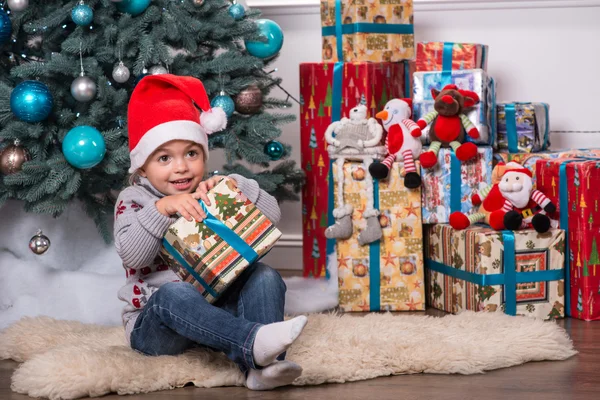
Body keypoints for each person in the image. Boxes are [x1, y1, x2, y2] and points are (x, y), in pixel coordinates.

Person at [114, 74, 307, 391]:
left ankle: (260, 370)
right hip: (156, 328)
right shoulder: (135, 199)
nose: (181, 167)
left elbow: (270, 219)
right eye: (164, 158)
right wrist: (164, 209)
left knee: (264, 275)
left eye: (191, 153)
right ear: (141, 167)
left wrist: (236, 187)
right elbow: (132, 255)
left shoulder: (210, 190)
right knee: (176, 293)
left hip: (213, 315)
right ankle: (252, 344)